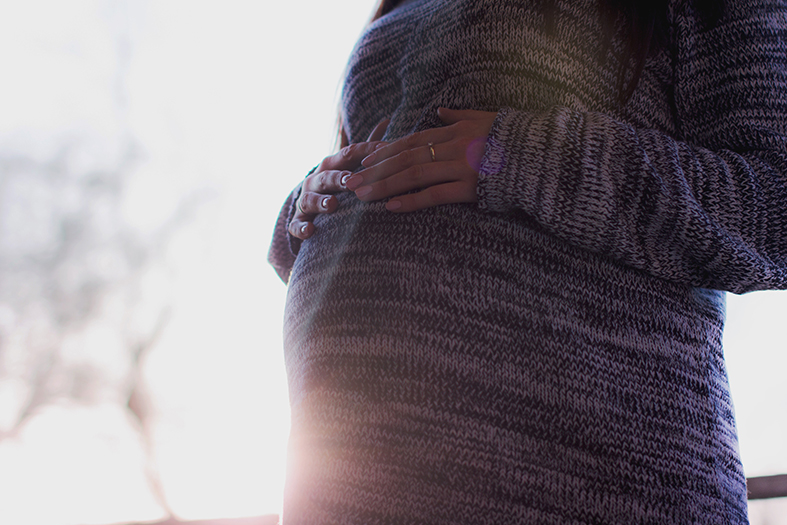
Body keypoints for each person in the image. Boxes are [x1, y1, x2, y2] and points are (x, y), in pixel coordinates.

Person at [268, 0, 787, 522]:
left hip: (587, 469)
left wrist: (519, 157)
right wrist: (308, 205)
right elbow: (394, 153)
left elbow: (773, 207)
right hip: (350, 458)